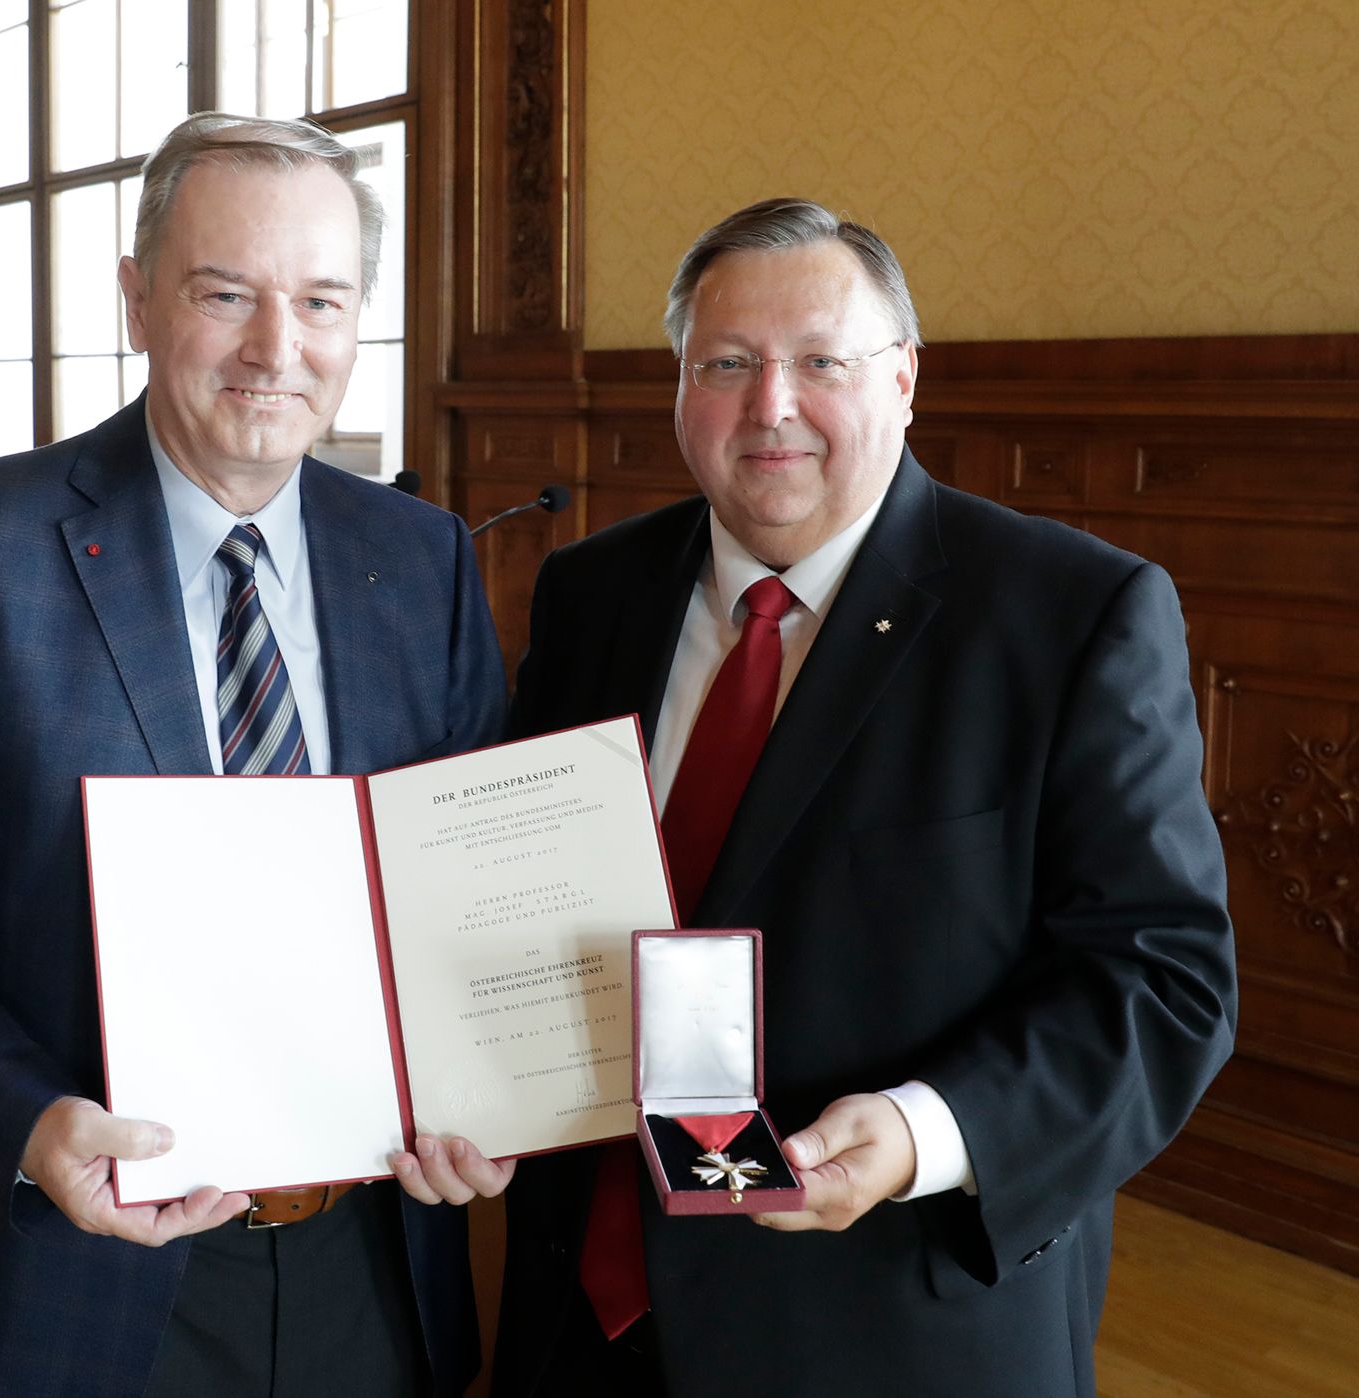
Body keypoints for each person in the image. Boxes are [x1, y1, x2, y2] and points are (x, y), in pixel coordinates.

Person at [0, 113, 508, 1398]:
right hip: (75, 1264)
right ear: (137, 295)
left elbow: (467, 890)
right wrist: (21, 1119)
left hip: (372, 1259)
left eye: (322, 303)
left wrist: (489, 1086)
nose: (278, 351)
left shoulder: (425, 560)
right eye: (225, 294)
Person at [490, 198, 1237, 1398]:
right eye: (725, 364)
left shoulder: (1067, 616)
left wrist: (921, 1132)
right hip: (585, 1315)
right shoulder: (590, 594)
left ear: (900, 380)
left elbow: (1161, 982)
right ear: (677, 387)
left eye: (818, 363)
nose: (767, 405)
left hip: (881, 1322)